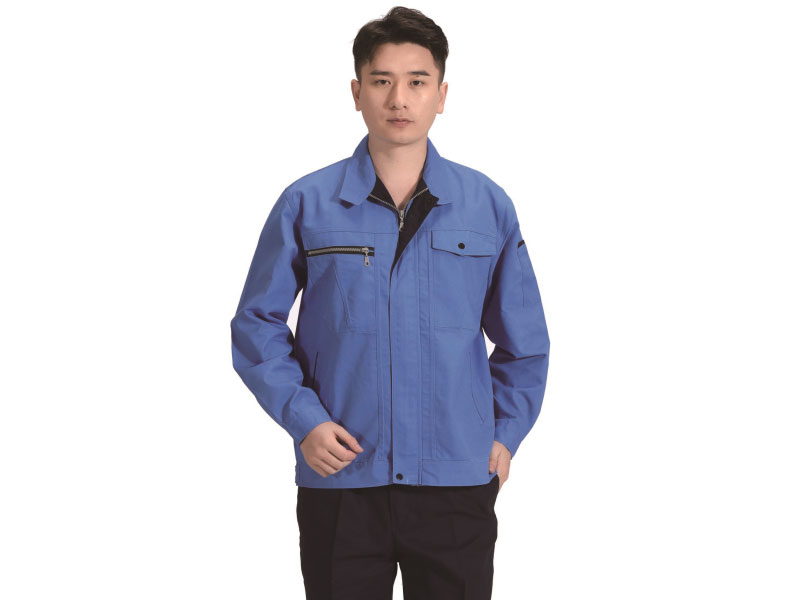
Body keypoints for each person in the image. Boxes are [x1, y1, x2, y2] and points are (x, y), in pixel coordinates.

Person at [230, 6, 550, 599]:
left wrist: (505, 434)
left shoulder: (487, 206)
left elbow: (524, 342)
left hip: (456, 478)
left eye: (417, 81)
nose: (399, 98)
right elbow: (256, 324)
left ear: (442, 95)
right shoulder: (307, 202)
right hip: (343, 475)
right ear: (357, 92)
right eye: (381, 81)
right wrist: (305, 421)